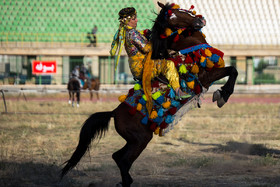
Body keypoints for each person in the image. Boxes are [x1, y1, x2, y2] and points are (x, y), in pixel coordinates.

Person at [110, 7, 188, 100]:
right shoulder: (132, 33)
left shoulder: (127, 31)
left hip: (139, 65)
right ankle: (178, 92)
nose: (137, 20)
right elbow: (147, 48)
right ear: (127, 21)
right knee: (169, 64)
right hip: (142, 67)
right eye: (134, 19)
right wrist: (158, 38)